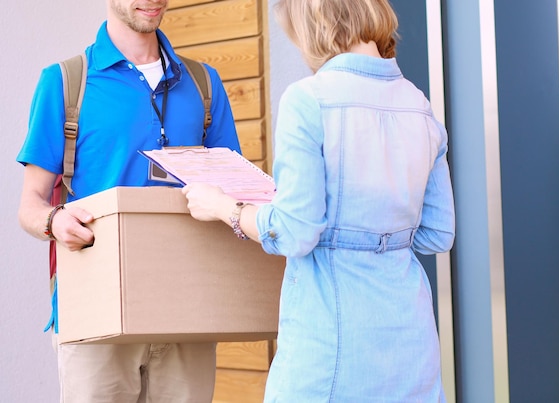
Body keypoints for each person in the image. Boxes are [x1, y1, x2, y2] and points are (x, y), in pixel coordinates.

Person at [182, 0, 455, 401]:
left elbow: (294, 232)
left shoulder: (308, 100)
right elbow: (436, 234)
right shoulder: (421, 107)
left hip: (330, 340)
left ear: (313, 24)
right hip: (411, 343)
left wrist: (224, 206)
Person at [16, 0, 240, 401]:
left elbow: (234, 192)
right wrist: (55, 222)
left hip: (188, 309)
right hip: (93, 310)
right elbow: (30, 205)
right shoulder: (66, 81)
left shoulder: (205, 83)